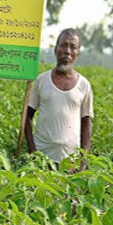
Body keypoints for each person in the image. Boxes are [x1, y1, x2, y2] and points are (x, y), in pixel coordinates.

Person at [25, 28, 93, 170]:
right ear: (56, 49)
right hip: (42, 159)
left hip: (70, 162)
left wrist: (83, 162)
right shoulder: (41, 80)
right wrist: (32, 151)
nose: (67, 51)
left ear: (77, 53)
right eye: (63, 45)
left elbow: (86, 123)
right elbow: (27, 116)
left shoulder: (84, 85)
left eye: (73, 47)